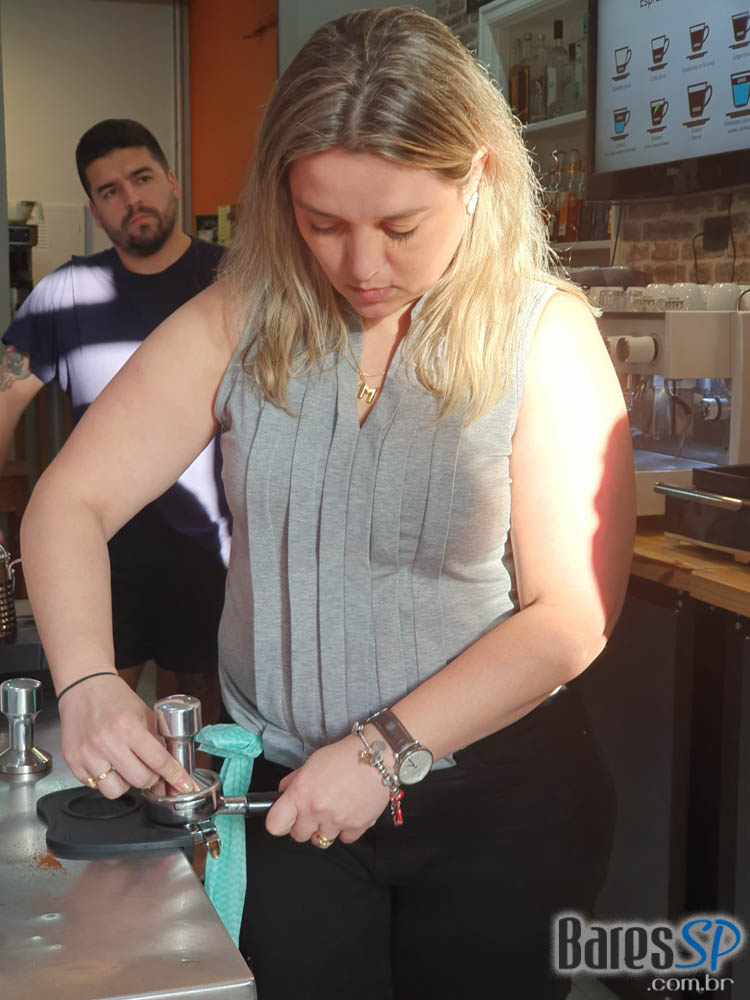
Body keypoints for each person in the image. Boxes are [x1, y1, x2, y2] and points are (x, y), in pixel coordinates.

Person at [20, 10, 635, 999]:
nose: (360, 267)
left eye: (401, 227)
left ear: (477, 178)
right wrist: (88, 678)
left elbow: (570, 617)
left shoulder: (543, 333)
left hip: (495, 803)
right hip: (286, 796)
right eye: (323, 223)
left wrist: (385, 750)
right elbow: (70, 498)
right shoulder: (241, 315)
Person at [2, 119, 229, 721]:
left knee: (200, 739)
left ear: (172, 182)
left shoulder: (234, 281)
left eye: (142, 178)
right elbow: (3, 399)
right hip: (101, 554)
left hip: (213, 557)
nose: (131, 199)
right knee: (101, 734)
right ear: (95, 212)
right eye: (110, 191)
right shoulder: (67, 293)